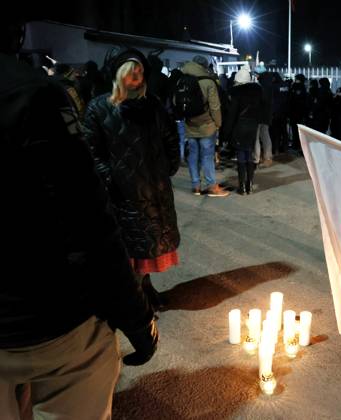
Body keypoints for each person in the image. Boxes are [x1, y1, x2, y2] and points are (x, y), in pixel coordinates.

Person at [0, 21, 157, 420]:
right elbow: (89, 222)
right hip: (51, 321)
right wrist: (135, 319)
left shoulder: (147, 106)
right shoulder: (33, 95)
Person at [82, 49, 181, 311]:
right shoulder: (99, 107)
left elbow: (170, 138)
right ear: (118, 75)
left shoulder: (153, 105)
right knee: (129, 250)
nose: (135, 76)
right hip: (122, 193)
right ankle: (134, 302)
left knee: (148, 247)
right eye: (130, 71)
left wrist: (168, 167)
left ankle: (145, 289)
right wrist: (111, 178)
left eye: (139, 71)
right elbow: (91, 151)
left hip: (155, 190)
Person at [181, 55, 228, 196]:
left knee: (193, 154)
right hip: (207, 125)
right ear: (205, 66)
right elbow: (215, 106)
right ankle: (212, 186)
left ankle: (195, 185)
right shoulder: (208, 82)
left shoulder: (183, 78)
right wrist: (218, 123)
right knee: (207, 156)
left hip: (189, 123)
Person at [224, 67, 264, 195]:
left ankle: (242, 186)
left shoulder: (236, 94)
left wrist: (226, 133)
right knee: (249, 155)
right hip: (253, 127)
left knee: (241, 156)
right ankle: (249, 185)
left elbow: (231, 116)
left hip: (239, 127)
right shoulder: (258, 92)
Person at [255, 70, 274, 167]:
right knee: (266, 136)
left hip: (258, 116)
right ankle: (268, 156)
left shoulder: (259, 88)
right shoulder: (271, 87)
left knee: (256, 138)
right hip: (267, 116)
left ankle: (256, 158)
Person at [288, 73, 308, 152]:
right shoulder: (303, 87)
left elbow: (291, 98)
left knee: (295, 129)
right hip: (300, 112)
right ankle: (297, 144)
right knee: (298, 129)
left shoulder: (296, 87)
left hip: (295, 112)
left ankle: (296, 144)